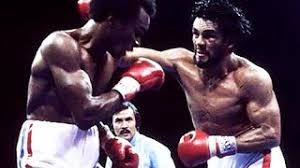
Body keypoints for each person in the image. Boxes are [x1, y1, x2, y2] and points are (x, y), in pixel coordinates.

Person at [122, 0, 287, 167]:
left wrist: (215, 145)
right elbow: (125, 54)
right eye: (195, 33)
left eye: (209, 36)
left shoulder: (251, 78)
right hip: (217, 158)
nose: (199, 42)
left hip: (255, 157)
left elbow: (271, 134)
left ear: (229, 42)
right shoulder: (181, 63)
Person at [15, 0, 166, 167]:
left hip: (87, 151)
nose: (137, 42)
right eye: (137, 32)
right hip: (47, 151)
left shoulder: (110, 58)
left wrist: (107, 139)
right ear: (113, 19)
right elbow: (84, 114)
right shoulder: (60, 45)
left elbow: (79, 112)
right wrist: (130, 84)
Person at [105, 101, 176, 168]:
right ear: (112, 125)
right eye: (118, 121)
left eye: (128, 119)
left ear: (136, 122)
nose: (124, 126)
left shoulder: (155, 148)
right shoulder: (113, 151)